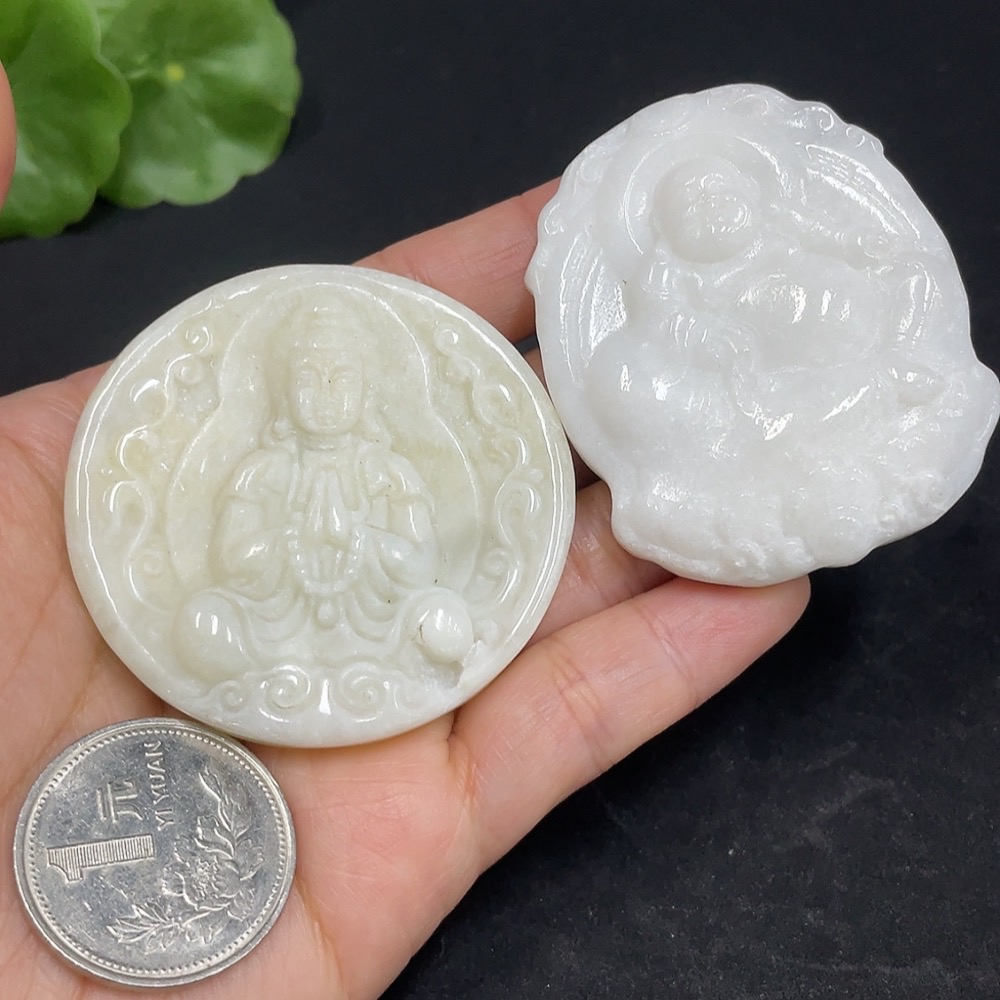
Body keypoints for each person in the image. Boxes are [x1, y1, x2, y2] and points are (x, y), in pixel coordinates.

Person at [0, 63, 808, 1000]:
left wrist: (383, 568)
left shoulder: (388, 472)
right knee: (206, 624)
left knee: (439, 615)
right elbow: (238, 558)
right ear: (281, 392)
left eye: (339, 378)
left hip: (377, 612)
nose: (324, 393)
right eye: (308, 380)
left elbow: (416, 553)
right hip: (274, 618)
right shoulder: (260, 472)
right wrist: (273, 567)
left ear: (367, 388)